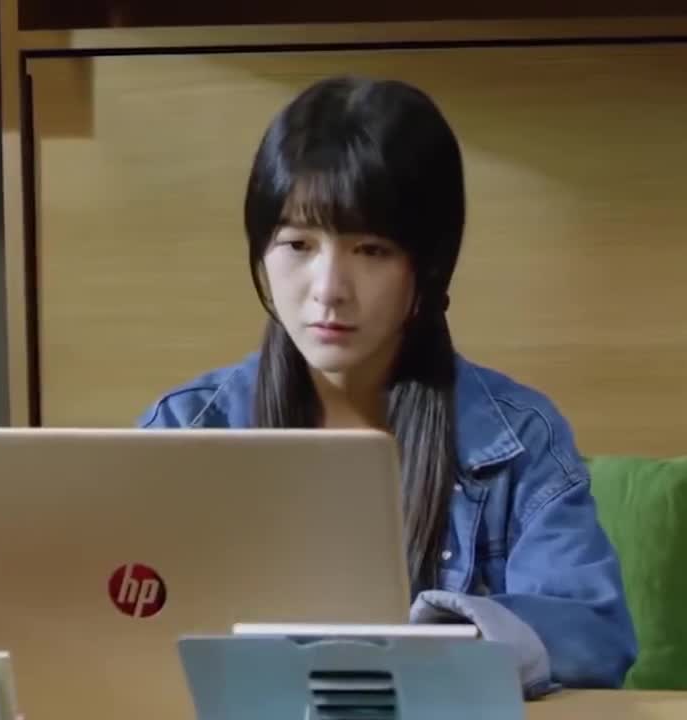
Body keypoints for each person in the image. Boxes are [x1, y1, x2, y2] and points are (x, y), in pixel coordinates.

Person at [136, 75, 637, 697]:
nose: (328, 289)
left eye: (371, 250)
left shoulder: (517, 437)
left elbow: (593, 635)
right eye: (297, 244)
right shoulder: (186, 430)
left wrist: (433, 642)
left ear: (429, 263)